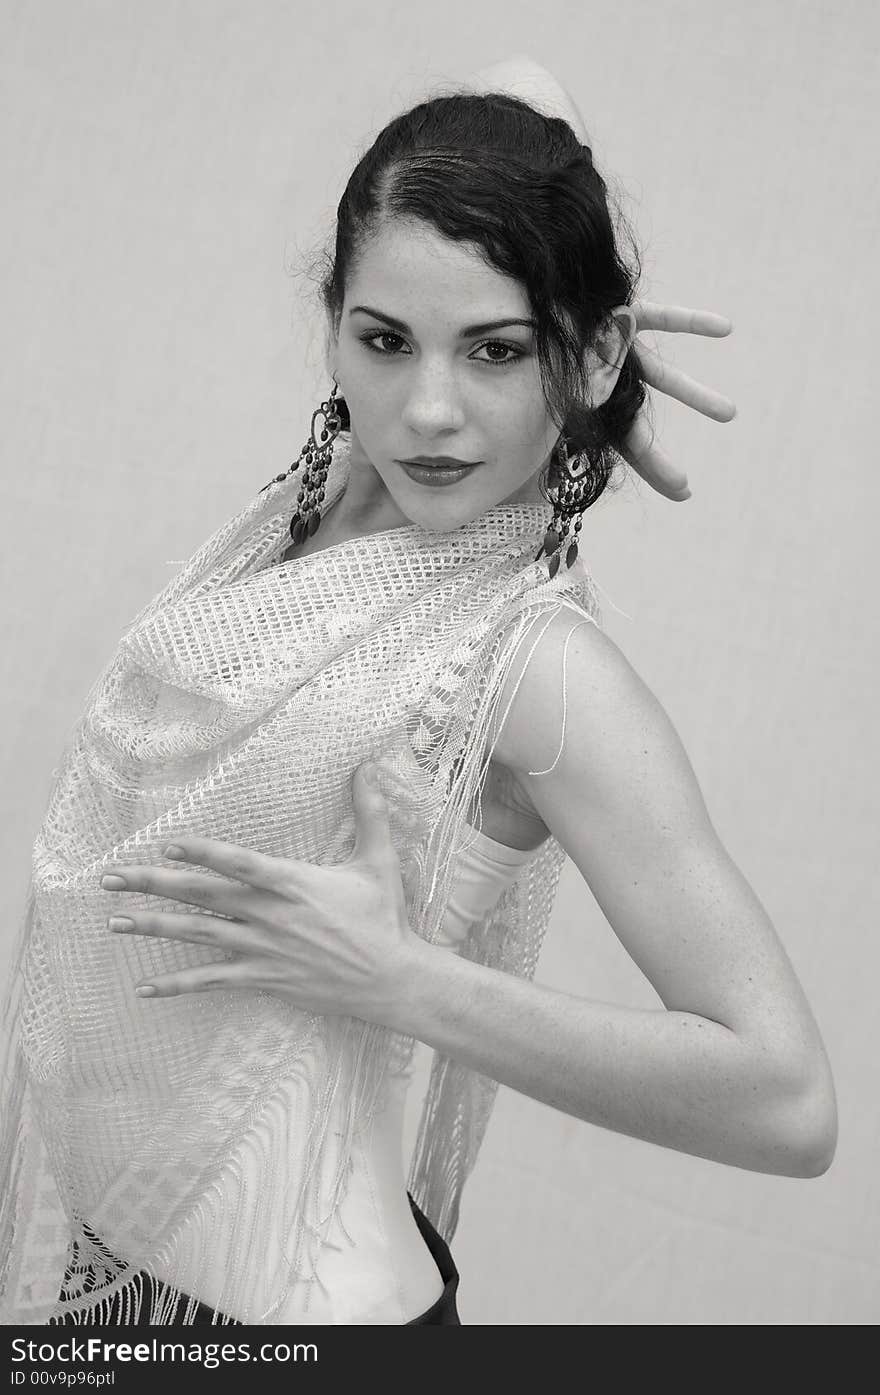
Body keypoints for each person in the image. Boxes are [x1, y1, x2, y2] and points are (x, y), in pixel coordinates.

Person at [0, 60, 836, 1328]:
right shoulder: (329, 514)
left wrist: (401, 981)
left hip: (293, 1325)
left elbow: (787, 1103)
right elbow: (514, 89)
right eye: (386, 339)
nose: (430, 411)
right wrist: (562, 342)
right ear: (333, 322)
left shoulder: (535, 666)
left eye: (494, 353)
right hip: (122, 1290)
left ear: (595, 351)